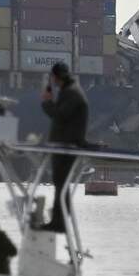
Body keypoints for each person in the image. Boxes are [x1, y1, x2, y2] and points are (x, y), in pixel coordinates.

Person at [39, 61, 89, 232]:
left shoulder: (72, 94)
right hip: (64, 143)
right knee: (60, 183)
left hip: (67, 145)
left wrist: (46, 103)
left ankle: (60, 223)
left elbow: (60, 116)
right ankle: (59, 221)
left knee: (61, 183)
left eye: (52, 77)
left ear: (56, 77)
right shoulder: (69, 91)